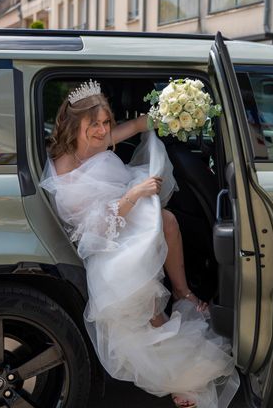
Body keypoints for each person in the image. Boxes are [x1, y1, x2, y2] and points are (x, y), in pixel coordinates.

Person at [40, 80, 239, 408]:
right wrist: (134, 194)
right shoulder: (65, 167)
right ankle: (175, 376)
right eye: (95, 124)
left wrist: (175, 110)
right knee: (144, 295)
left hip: (122, 217)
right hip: (103, 242)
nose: (103, 130)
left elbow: (135, 125)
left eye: (106, 122)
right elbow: (98, 227)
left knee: (169, 221)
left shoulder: (101, 141)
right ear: (75, 125)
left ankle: (181, 290)